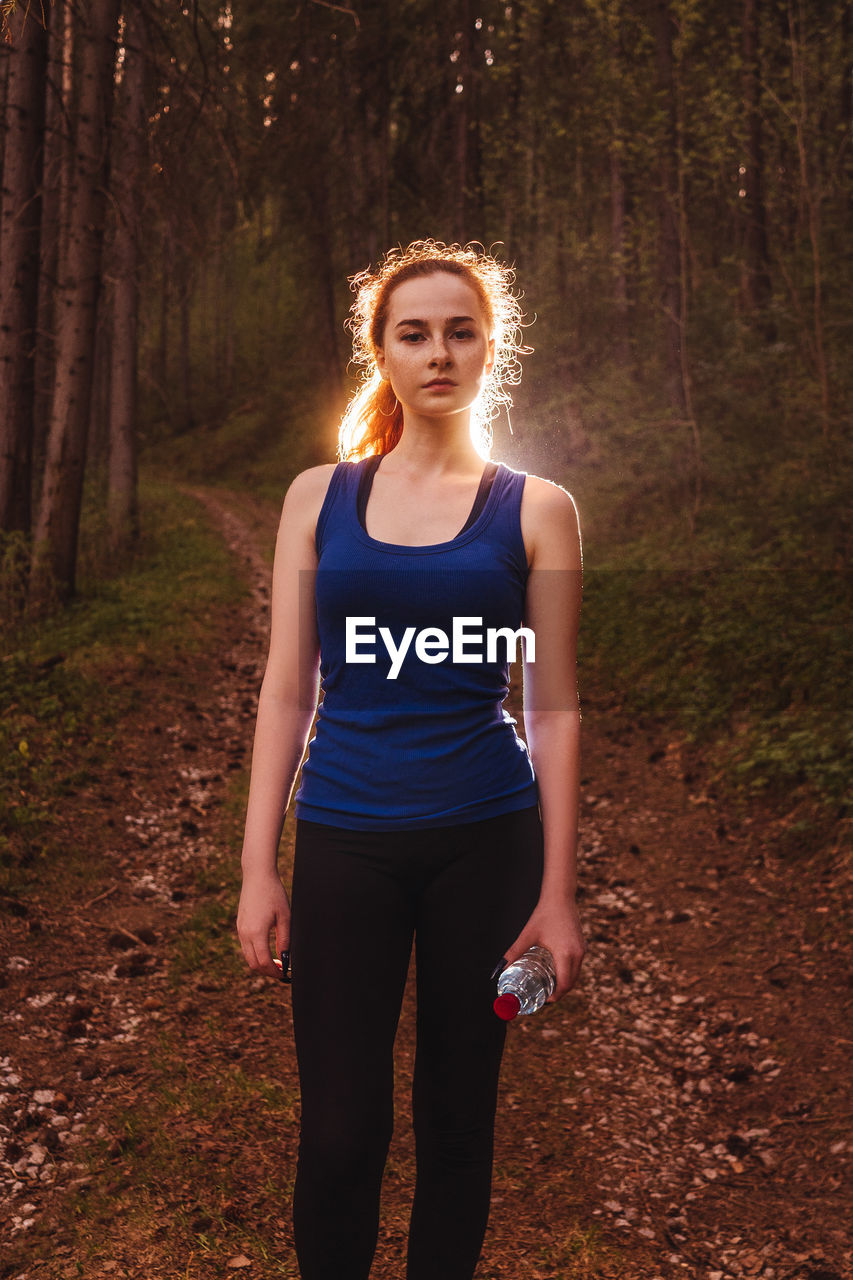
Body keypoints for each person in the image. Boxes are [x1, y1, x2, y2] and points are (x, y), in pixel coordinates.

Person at [236, 239, 585, 1280]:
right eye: (414, 332)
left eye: (460, 330)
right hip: (345, 839)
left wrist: (558, 893)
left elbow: (554, 703)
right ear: (380, 351)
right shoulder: (317, 497)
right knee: (341, 1131)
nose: (439, 351)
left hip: (487, 843)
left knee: (455, 1120)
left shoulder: (537, 508)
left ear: (492, 348)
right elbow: (287, 690)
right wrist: (259, 866)